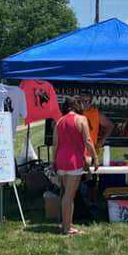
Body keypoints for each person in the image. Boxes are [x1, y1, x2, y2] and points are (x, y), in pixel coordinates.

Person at [52, 96, 98, 235]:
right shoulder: (81, 119)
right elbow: (88, 141)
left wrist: (54, 161)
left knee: (67, 195)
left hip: (61, 159)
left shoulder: (59, 121)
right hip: (74, 161)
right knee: (69, 196)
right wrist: (95, 157)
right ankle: (67, 229)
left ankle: (67, 224)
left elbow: (55, 144)